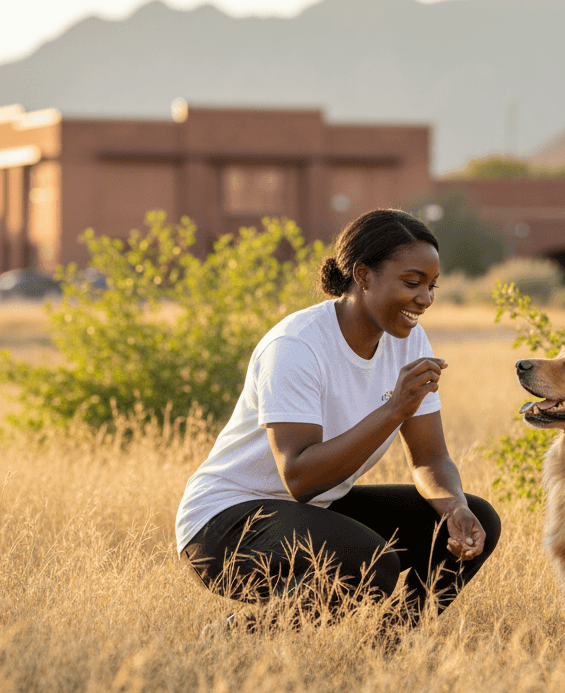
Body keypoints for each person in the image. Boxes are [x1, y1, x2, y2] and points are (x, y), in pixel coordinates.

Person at [175, 208, 500, 630]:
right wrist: (394, 409)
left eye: (432, 286)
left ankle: (391, 644)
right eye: (412, 282)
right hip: (225, 525)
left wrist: (453, 506)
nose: (426, 298)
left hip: (318, 508)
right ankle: (235, 633)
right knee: (369, 561)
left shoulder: (408, 340)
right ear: (362, 276)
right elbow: (301, 479)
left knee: (479, 518)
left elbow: (430, 458)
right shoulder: (297, 345)